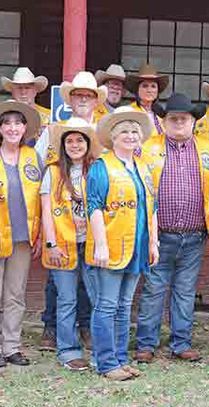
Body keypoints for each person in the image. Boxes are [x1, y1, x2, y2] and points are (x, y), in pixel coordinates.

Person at [134, 93, 209, 364]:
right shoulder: (146, 148)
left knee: (185, 290)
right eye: (173, 118)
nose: (178, 122)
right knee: (154, 288)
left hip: (195, 234)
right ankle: (146, 343)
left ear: (194, 121)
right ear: (164, 121)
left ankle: (181, 343)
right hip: (160, 234)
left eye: (184, 118)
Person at [35, 70, 106, 352]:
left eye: (88, 95)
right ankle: (55, 332)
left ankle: (87, 329)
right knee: (60, 286)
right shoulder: (54, 131)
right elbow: (38, 173)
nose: (83, 100)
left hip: (90, 230)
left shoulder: (103, 132)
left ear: (95, 100)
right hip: (60, 227)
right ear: (71, 99)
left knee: (92, 288)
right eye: (78, 95)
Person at [86, 106, 158, 381]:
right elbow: (94, 207)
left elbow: (151, 207)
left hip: (137, 246)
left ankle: (120, 358)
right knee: (106, 304)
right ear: (113, 137)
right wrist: (101, 245)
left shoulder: (143, 166)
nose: (130, 136)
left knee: (124, 305)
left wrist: (154, 242)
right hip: (113, 245)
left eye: (134, 132)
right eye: (124, 132)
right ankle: (105, 362)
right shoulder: (102, 167)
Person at [40, 117, 102, 371]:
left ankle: (102, 348)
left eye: (79, 140)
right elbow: (46, 210)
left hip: (90, 244)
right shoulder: (53, 171)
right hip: (63, 244)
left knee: (97, 297)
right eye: (70, 141)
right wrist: (51, 243)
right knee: (66, 299)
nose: (75, 145)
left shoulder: (97, 169)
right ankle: (68, 351)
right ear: (63, 145)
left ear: (88, 143)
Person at [0, 100, 42, 367]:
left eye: (18, 123)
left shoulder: (33, 157)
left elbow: (43, 198)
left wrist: (40, 236)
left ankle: (11, 347)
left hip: (23, 237)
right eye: (7, 123)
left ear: (25, 128)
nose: (13, 128)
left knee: (15, 294)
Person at [126, 63, 169, 138]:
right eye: (145, 86)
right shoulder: (128, 111)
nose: (149, 90)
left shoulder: (162, 114)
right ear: (137, 89)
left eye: (153, 86)